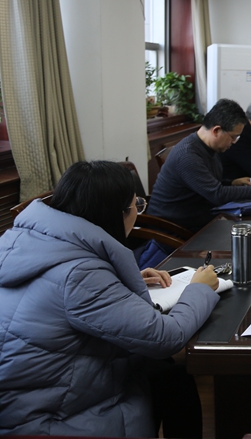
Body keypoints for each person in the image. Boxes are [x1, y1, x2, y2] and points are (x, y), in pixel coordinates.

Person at [0, 161, 221, 437]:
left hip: (28, 392)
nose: (138, 212)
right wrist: (199, 289)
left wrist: (121, 281)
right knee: (167, 372)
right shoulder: (81, 276)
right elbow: (165, 338)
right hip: (48, 415)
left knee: (169, 376)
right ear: (115, 214)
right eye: (136, 205)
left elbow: (55, 291)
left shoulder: (24, 240)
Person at [148, 98, 251, 233]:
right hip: (173, 229)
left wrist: (232, 183)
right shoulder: (187, 155)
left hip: (199, 217)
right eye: (233, 137)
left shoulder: (209, 147)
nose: (234, 142)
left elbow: (207, 184)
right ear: (216, 130)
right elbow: (218, 195)